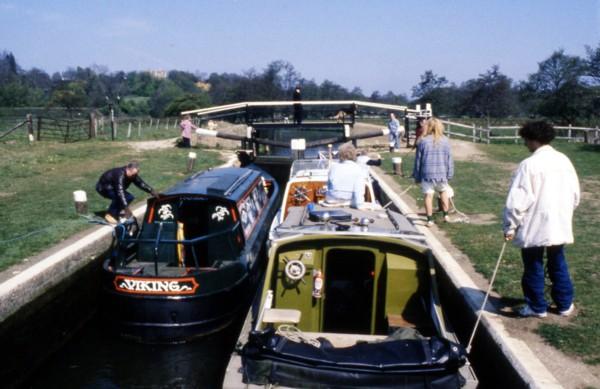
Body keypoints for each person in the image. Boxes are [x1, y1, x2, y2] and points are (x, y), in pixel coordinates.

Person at [503, 121, 580, 318]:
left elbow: (517, 201)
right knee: (557, 261)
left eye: (526, 140)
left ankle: (537, 307)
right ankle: (564, 304)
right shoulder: (564, 160)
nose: (525, 144)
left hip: (535, 223)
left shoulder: (529, 165)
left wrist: (510, 226)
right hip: (558, 221)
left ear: (532, 139)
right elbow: (575, 194)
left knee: (533, 264)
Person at [412, 118, 454, 226]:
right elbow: (449, 159)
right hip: (441, 173)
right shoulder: (445, 140)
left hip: (427, 174)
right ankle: (446, 215)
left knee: (428, 196)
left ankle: (430, 220)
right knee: (443, 192)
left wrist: (416, 176)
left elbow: (418, 161)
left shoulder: (423, 141)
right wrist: (449, 174)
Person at [326, 143, 366, 208]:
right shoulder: (358, 169)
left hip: (331, 200)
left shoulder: (333, 167)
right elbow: (358, 190)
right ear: (354, 154)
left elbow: (328, 186)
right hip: (348, 201)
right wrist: (360, 205)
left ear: (340, 154)